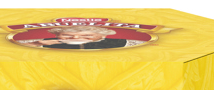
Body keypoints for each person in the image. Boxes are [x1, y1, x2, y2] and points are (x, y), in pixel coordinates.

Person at [16, 26, 145, 50]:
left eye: (87, 35)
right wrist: (36, 44)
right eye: (67, 35)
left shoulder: (119, 43)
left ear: (102, 36)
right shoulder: (44, 42)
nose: (76, 37)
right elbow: (14, 48)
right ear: (56, 35)